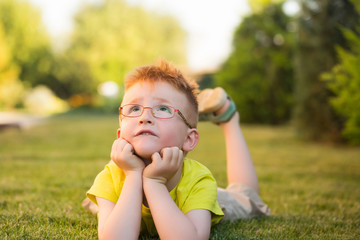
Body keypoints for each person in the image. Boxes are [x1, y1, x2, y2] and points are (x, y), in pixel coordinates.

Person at [84, 59, 270, 239]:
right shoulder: (110, 177)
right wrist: (133, 175)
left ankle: (227, 117)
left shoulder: (199, 181)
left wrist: (154, 182)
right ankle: (98, 205)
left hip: (198, 202)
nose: (145, 116)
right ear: (120, 135)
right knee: (105, 202)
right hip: (122, 190)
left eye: (163, 109)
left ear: (189, 139)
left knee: (246, 195)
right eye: (134, 109)